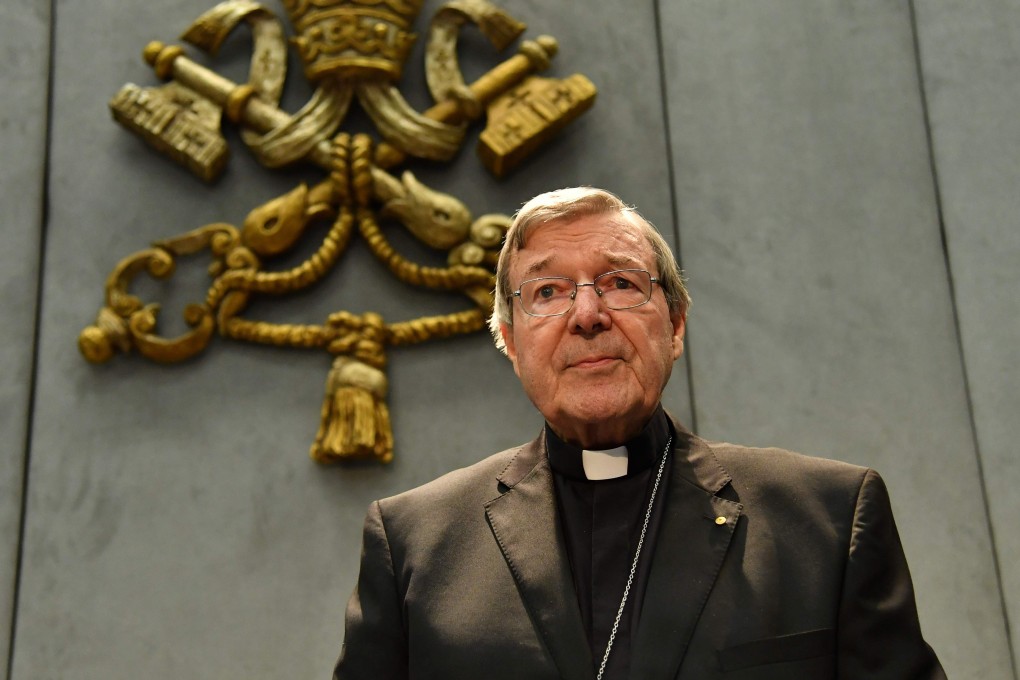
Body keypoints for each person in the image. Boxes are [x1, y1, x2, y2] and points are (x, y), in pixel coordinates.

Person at [332, 187, 946, 679]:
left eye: (621, 283)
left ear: (675, 325)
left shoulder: (827, 520)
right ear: (511, 342)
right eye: (547, 291)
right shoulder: (413, 544)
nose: (588, 315)